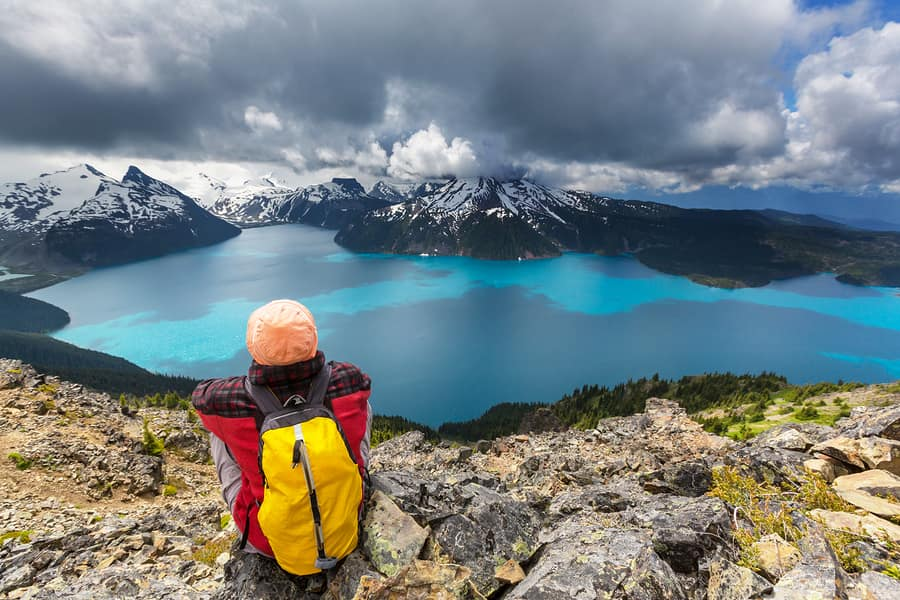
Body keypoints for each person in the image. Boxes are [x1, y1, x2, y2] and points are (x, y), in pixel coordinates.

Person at [191, 299, 372, 558]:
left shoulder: (230, 401)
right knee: (364, 404)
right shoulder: (348, 379)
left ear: (253, 346)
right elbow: (364, 385)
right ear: (313, 338)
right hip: (347, 526)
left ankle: (257, 494)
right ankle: (357, 476)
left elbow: (200, 396)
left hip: (270, 543)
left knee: (217, 431)